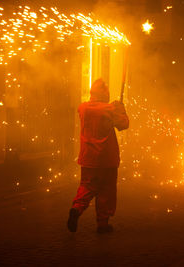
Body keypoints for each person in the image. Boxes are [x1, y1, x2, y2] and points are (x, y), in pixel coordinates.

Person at [67, 78, 129, 234]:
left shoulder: (83, 108)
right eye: (106, 91)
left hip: (88, 157)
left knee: (86, 186)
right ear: (103, 93)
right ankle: (102, 224)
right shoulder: (110, 109)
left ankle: (76, 208)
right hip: (107, 158)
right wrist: (120, 109)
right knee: (106, 191)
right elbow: (124, 124)